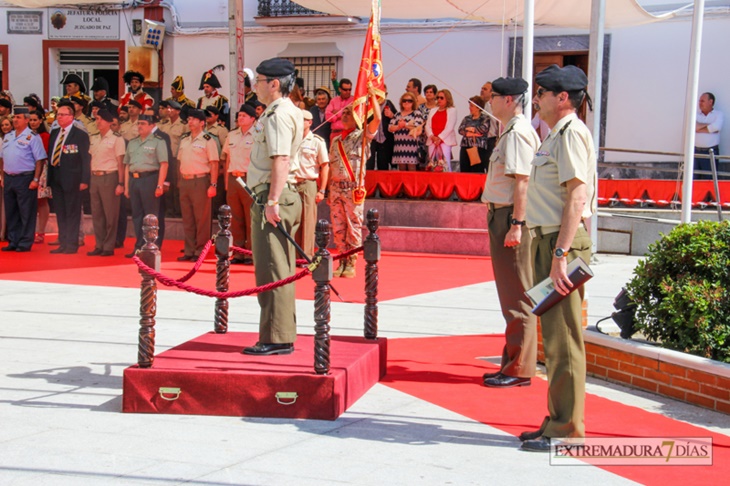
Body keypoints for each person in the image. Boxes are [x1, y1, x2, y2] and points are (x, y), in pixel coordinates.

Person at [520, 64, 597, 453]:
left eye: (542, 92)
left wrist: (561, 254)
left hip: (560, 242)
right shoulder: (557, 134)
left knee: (565, 340)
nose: (537, 99)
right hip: (548, 239)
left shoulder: (570, 134)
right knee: (554, 337)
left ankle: (567, 429)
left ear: (562, 97)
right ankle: (556, 420)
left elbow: (576, 197)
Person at [481, 77, 540, 389]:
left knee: (518, 295)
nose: (489, 102)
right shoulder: (511, 132)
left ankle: (519, 368)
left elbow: (522, 182)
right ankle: (514, 362)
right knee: (512, 296)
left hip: (509, 217)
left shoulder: (517, 134)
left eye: (493, 97)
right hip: (502, 215)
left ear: (508, 100)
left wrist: (516, 225)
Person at [242, 58, 304, 356]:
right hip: (276, 192)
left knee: (273, 269)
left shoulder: (278, 114)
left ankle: (277, 338)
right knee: (280, 268)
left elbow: (279, 159)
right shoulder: (282, 111)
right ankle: (280, 333)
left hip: (273, 193)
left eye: (260, 80)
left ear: (274, 84)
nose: (256, 86)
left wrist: (273, 201)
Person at [328, 89, 381, 278]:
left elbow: (377, 120)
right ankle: (341, 259)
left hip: (352, 189)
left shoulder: (361, 137)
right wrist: (327, 189)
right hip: (335, 189)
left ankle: (351, 261)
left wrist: (373, 96)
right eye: (343, 113)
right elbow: (331, 166)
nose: (345, 115)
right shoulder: (335, 141)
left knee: (353, 226)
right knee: (338, 227)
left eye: (349, 113)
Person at [0, 106, 47, 252]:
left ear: (26, 120)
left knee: (26, 211)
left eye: (18, 117)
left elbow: (39, 160)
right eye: (14, 117)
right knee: (11, 211)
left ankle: (25, 241)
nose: (15, 120)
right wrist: (2, 176)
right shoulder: (8, 136)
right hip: (9, 177)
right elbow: (2, 158)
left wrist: (36, 179)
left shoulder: (33, 137)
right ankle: (13, 240)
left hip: (25, 177)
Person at [47, 103, 91, 254]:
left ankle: (72, 244)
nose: (59, 117)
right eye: (58, 114)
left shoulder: (80, 134)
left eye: (62, 114)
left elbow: (85, 159)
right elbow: (51, 155)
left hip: (73, 178)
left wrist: (85, 180)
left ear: (71, 117)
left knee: (72, 212)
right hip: (56, 176)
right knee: (60, 211)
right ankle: (63, 241)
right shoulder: (55, 133)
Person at [123, 113, 168, 257]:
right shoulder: (133, 142)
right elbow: (127, 165)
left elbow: (164, 164)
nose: (140, 126)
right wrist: (126, 186)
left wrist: (160, 185)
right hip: (134, 179)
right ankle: (139, 245)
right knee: (137, 215)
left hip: (150, 179)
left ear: (152, 126)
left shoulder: (158, 141)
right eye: (139, 123)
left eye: (143, 124)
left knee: (151, 216)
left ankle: (152, 245)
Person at [176, 109, 219, 261]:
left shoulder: (208, 140)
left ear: (202, 123)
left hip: (201, 181)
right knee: (187, 218)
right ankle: (189, 250)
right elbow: (180, 161)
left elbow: (214, 163)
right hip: (185, 180)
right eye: (189, 119)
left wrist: (213, 185)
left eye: (194, 119)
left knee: (202, 219)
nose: (190, 121)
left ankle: (200, 250)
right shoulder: (184, 140)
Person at [87, 109, 125, 257]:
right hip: (95, 176)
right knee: (97, 213)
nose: (98, 122)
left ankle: (108, 245)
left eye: (101, 119)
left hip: (110, 176)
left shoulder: (117, 139)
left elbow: (120, 163)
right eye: (96, 119)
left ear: (109, 122)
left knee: (111, 213)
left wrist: (121, 183)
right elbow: (91, 159)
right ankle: (99, 244)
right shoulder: (94, 138)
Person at [222, 104, 257, 265]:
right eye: (239, 115)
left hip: (249, 178)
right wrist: (226, 183)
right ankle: (238, 252)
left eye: (244, 115)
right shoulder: (232, 135)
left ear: (252, 118)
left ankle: (250, 253)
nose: (240, 118)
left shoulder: (257, 134)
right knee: (235, 218)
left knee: (250, 218)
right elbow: (228, 158)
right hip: (233, 177)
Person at [294, 109, 330, 259]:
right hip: (292, 183)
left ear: (310, 122)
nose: (299, 122)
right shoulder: (290, 140)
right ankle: (294, 254)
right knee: (293, 219)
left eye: (302, 119)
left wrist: (322, 190)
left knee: (308, 221)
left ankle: (306, 255)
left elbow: (325, 166)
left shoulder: (317, 141)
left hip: (308, 183)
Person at [28, 111, 51, 244]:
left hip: (41, 169)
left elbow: (44, 155)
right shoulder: (25, 135)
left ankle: (41, 231)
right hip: (27, 170)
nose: (33, 122)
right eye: (30, 120)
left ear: (41, 121)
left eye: (35, 120)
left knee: (42, 201)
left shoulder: (45, 136)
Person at [389, 92, 424, 171]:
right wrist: (399, 126)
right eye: (404, 100)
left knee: (412, 168)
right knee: (401, 168)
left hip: (412, 146)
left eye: (409, 101)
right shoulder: (397, 114)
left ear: (413, 102)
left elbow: (417, 127)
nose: (406, 102)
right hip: (399, 146)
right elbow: (390, 127)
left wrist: (405, 125)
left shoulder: (416, 113)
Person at [458, 96, 491, 173]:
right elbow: (460, 130)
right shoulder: (467, 118)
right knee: (464, 169)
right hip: (465, 146)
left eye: (472, 106)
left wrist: (471, 129)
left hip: (479, 147)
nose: (470, 108)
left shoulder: (485, 118)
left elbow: (483, 129)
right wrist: (470, 133)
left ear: (478, 107)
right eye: (470, 105)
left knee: (477, 170)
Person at [425, 89, 457, 172]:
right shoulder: (433, 110)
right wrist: (432, 136)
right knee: (432, 164)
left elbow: (450, 126)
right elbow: (427, 125)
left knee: (445, 164)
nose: (439, 100)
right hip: (432, 140)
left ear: (447, 99)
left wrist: (439, 138)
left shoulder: (452, 110)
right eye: (437, 98)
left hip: (444, 141)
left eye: (441, 98)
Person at [695, 92, 724, 180]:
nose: (700, 103)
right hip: (695, 152)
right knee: (693, 179)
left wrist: (699, 128)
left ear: (710, 102)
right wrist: (709, 127)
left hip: (710, 152)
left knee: (710, 179)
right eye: (699, 101)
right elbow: (692, 127)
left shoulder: (718, 114)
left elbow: (716, 127)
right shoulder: (695, 115)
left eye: (702, 101)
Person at [367, 86, 397, 171]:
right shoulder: (369, 104)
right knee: (369, 163)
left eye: (385, 94)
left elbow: (398, 118)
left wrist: (392, 115)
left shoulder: (389, 104)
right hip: (371, 139)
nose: (382, 96)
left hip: (385, 140)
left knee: (383, 164)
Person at [325, 78, 354, 143]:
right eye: (345, 90)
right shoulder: (333, 101)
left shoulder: (353, 101)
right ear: (339, 89)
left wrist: (337, 113)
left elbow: (353, 116)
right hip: (334, 134)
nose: (348, 92)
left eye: (350, 89)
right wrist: (342, 115)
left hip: (348, 134)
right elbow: (327, 116)